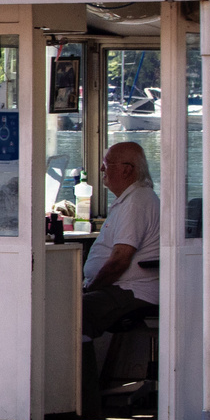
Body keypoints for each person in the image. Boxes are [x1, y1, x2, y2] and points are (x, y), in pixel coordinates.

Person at [81, 141, 160, 338]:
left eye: (107, 164)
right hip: (122, 288)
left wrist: (91, 288)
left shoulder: (136, 202)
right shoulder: (130, 199)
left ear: (126, 170)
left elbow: (119, 261)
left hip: (134, 291)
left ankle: (80, 369)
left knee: (72, 314)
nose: (101, 169)